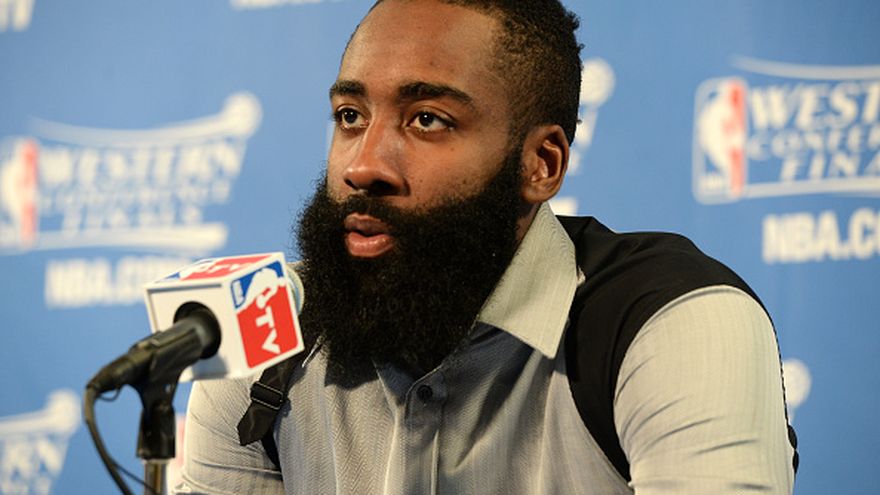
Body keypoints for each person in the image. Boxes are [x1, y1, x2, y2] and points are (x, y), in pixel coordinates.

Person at [177, 0, 797, 493]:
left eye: (427, 119)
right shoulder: (263, 331)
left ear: (541, 164)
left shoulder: (667, 323)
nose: (363, 167)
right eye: (350, 116)